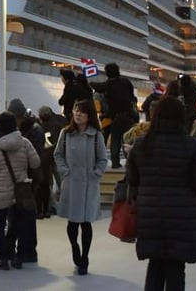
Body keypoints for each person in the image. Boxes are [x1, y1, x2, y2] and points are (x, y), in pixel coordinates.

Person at [125, 96, 196, 291]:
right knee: (176, 268)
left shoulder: (142, 144)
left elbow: (132, 179)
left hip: (150, 214)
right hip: (181, 214)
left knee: (155, 265)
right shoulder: (190, 145)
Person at [52, 99, 108, 275]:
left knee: (86, 223)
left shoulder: (96, 136)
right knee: (72, 223)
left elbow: (103, 159)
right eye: (76, 110)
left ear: (89, 115)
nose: (78, 114)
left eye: (82, 111)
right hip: (71, 182)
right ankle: (75, 248)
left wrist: (96, 173)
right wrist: (64, 171)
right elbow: (58, 154)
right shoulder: (66, 133)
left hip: (89, 185)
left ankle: (84, 258)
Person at [0, 112, 41, 271]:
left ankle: (3, 258)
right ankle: (20, 257)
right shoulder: (24, 143)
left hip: (2, 189)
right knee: (21, 224)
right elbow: (35, 163)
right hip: (20, 189)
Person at [6, 98, 44, 263]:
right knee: (18, 215)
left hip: (28, 179)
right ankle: (17, 250)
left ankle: (27, 251)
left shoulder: (33, 130)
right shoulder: (27, 129)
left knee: (25, 215)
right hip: (22, 178)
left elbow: (36, 157)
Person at [92, 63, 137, 169]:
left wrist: (89, 82)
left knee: (115, 140)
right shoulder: (126, 82)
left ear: (107, 73)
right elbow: (131, 96)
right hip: (128, 115)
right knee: (128, 139)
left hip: (115, 116)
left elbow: (99, 87)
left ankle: (115, 163)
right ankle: (131, 161)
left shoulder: (109, 84)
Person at [37, 106, 67, 216]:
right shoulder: (60, 121)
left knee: (48, 184)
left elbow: (45, 143)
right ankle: (66, 203)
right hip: (60, 156)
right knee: (62, 182)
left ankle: (51, 206)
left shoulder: (42, 126)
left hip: (47, 157)